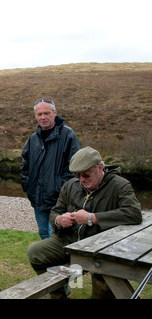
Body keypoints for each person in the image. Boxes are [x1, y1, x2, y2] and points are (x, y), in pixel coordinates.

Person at [27, 146, 143, 298]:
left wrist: (93, 218)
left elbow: (134, 214)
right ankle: (59, 295)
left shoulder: (120, 185)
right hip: (68, 242)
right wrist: (59, 220)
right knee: (36, 252)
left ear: (100, 167)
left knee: (103, 277)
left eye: (86, 175)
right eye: (78, 175)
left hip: (101, 247)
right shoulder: (70, 185)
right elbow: (55, 211)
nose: (81, 179)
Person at [21, 98, 80, 239]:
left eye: (46, 113)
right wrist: (28, 188)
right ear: (35, 116)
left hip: (59, 201)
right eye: (39, 114)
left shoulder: (68, 136)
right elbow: (25, 167)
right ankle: (47, 261)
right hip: (38, 199)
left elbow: (75, 169)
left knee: (56, 236)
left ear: (55, 113)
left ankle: (59, 261)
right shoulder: (33, 139)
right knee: (43, 234)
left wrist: (61, 190)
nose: (43, 117)